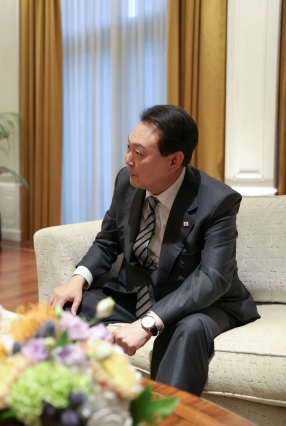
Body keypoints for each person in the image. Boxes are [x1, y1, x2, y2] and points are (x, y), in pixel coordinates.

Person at [48, 105, 259, 395]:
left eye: (139, 153)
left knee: (188, 330)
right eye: (128, 148)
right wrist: (77, 279)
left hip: (203, 301)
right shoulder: (127, 181)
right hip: (136, 291)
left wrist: (147, 324)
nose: (127, 160)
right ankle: (67, 406)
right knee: (64, 310)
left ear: (174, 161)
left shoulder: (217, 201)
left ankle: (167, 418)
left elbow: (213, 277)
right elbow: (108, 240)